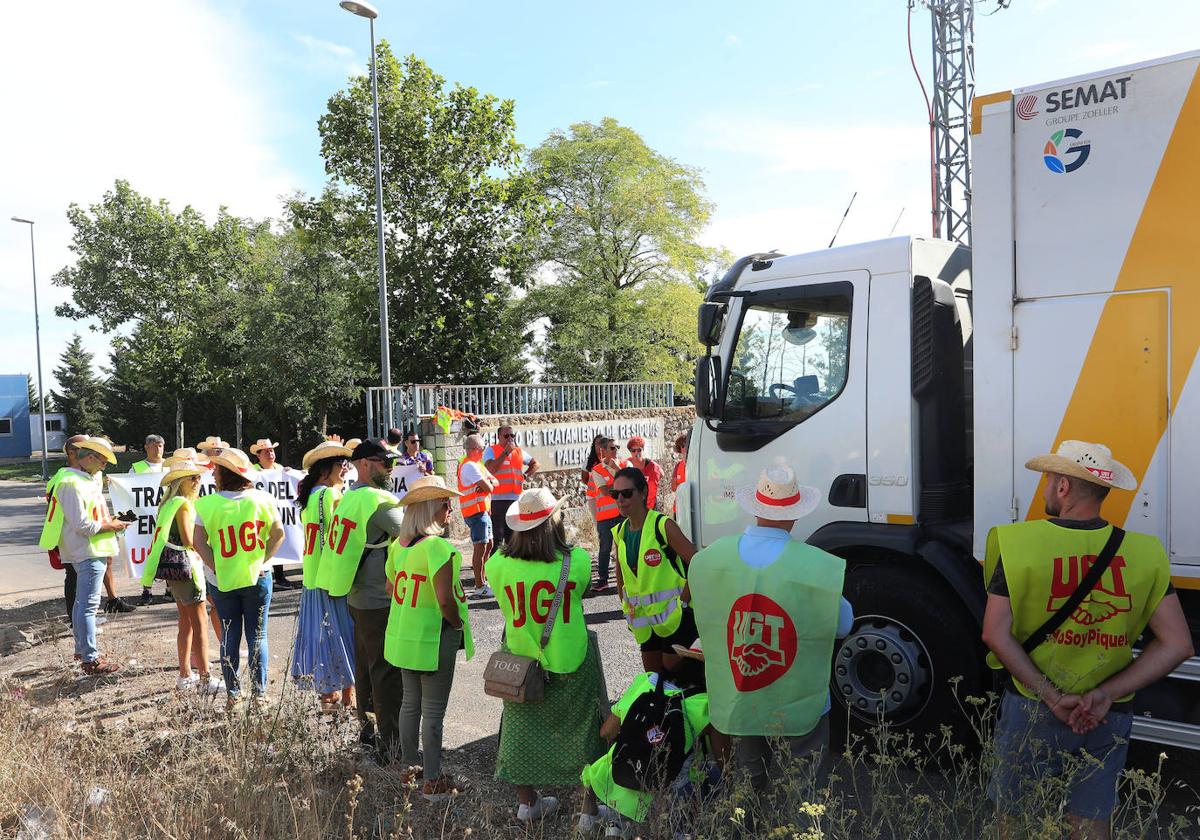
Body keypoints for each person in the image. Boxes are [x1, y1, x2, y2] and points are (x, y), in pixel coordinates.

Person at [982, 441, 1192, 840]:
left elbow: (994, 632)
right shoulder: (1145, 553)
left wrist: (1050, 695)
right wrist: (1106, 694)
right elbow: (1178, 644)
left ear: (1063, 486)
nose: (1044, 488)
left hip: (1032, 705)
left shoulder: (1015, 544)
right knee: (1092, 821)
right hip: (1105, 713)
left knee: (1015, 820)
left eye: (1047, 479)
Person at [689, 463, 851, 793]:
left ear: (756, 509)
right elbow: (843, 624)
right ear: (794, 513)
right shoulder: (814, 565)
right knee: (806, 788)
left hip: (743, 691)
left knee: (748, 780)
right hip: (800, 698)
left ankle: (744, 828)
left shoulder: (712, 557)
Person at [487, 486, 605, 822]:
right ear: (555, 520)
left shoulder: (497, 564)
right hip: (572, 658)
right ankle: (587, 811)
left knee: (519, 730)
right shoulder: (577, 560)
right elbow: (579, 593)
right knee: (584, 732)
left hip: (521, 662)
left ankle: (528, 803)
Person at [386, 475, 473, 800]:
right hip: (434, 637)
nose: (450, 508)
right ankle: (433, 781)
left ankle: (411, 769)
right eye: (444, 503)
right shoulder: (437, 547)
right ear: (428, 510)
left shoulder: (398, 545)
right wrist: (457, 624)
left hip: (404, 636)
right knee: (433, 712)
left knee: (410, 704)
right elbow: (445, 600)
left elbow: (391, 587)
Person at [579, 643, 717, 837]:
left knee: (614, 755)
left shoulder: (646, 681)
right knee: (712, 773)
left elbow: (606, 732)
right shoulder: (705, 703)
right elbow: (724, 759)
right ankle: (680, 829)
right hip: (669, 794)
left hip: (622, 777)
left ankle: (610, 822)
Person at [325, 439, 406, 761]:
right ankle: (390, 744)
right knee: (385, 671)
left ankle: (368, 733)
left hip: (355, 594)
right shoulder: (378, 499)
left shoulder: (348, 498)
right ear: (364, 464)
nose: (390, 468)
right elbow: (415, 533)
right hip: (379, 597)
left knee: (366, 667)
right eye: (384, 462)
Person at [192, 448, 285, 705]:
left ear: (224, 473)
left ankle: (234, 695)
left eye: (216, 469)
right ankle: (260, 695)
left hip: (223, 581)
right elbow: (278, 535)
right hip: (257, 577)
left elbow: (198, 541)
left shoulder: (206, 504)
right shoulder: (262, 499)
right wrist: (261, 561)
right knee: (258, 635)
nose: (212, 474)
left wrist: (216, 568)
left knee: (230, 635)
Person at [38, 436, 129, 675]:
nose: (104, 466)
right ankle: (90, 659)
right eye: (103, 461)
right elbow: (83, 525)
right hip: (88, 551)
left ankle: (83, 651)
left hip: (87, 550)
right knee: (88, 606)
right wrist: (113, 525)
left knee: (82, 604)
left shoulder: (80, 479)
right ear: (89, 457)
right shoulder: (71, 483)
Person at [139, 458, 222, 695]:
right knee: (199, 623)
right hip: (187, 569)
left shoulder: (167, 503)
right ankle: (205, 678)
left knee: (185, 623)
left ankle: (185, 674)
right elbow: (189, 540)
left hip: (173, 571)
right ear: (179, 482)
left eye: (198, 477)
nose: (198, 481)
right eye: (192, 478)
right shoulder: (184, 505)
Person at [610, 467, 698, 674]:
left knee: (674, 674)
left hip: (675, 619)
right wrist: (627, 609)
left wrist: (683, 603)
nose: (620, 499)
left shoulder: (663, 525)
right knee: (652, 678)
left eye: (627, 493)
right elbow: (622, 579)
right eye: (615, 494)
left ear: (643, 493)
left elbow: (697, 563)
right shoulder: (620, 532)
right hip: (645, 625)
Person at [291, 440, 356, 712]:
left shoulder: (310, 497)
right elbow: (339, 535)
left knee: (322, 636)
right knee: (342, 635)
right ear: (324, 469)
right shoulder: (329, 495)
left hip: (312, 578)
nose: (345, 468)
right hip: (331, 578)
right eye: (340, 463)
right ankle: (344, 697)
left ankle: (328, 697)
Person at [456, 433, 499, 598]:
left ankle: (484, 580)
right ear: (474, 449)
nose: (483, 452)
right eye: (482, 449)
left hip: (483, 511)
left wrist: (489, 483)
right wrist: (488, 484)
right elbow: (489, 488)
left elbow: (495, 482)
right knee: (480, 548)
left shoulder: (477, 464)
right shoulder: (470, 466)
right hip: (475, 512)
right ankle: (479, 585)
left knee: (488, 545)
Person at [131, 434, 171, 605]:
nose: (158, 448)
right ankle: (147, 589)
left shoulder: (170, 466)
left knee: (170, 552)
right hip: (147, 520)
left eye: (161, 445)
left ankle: (170, 588)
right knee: (148, 553)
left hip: (166, 517)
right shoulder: (137, 468)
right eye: (154, 445)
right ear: (146, 447)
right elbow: (129, 489)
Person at [484, 425, 539, 546]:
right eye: (506, 436)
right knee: (497, 537)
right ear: (498, 437)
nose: (510, 438)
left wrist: (525, 476)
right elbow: (490, 469)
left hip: (515, 500)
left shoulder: (518, 451)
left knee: (513, 537)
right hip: (497, 500)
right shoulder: (491, 450)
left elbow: (535, 464)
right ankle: (495, 563)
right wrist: (505, 453)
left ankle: (511, 562)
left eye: (512, 435)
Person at [587, 437, 628, 594]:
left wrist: (618, 470)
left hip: (624, 514)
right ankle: (603, 580)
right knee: (605, 549)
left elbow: (631, 483)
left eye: (617, 447)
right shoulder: (597, 470)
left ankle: (629, 576)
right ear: (603, 451)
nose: (616, 450)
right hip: (605, 517)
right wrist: (621, 485)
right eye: (612, 448)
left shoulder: (625, 465)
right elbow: (604, 491)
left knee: (626, 547)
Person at [625, 436, 663, 511]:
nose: (636, 453)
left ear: (643, 449)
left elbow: (661, 474)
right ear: (630, 451)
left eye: (639, 450)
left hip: (650, 506)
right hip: (633, 507)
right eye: (633, 450)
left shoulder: (652, 466)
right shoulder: (626, 464)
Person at [671, 433, 688, 518]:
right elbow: (673, 487)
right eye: (682, 446)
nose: (685, 448)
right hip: (679, 508)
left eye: (687, 445)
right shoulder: (678, 466)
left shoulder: (697, 464)